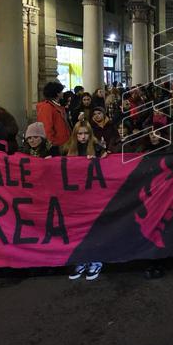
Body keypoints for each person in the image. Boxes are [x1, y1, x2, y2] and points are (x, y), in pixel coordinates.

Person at [63, 120, 106, 282]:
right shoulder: (68, 149)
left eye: (85, 133)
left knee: (93, 229)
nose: (82, 137)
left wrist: (98, 160)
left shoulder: (97, 147)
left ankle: (95, 260)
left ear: (90, 134)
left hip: (92, 196)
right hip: (75, 197)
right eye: (79, 133)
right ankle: (82, 260)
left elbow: (109, 165)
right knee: (78, 230)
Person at [36, 82, 71, 147]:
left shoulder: (57, 106)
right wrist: (52, 144)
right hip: (56, 145)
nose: (63, 93)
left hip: (63, 143)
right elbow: (46, 127)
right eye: (61, 91)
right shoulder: (47, 107)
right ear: (57, 93)